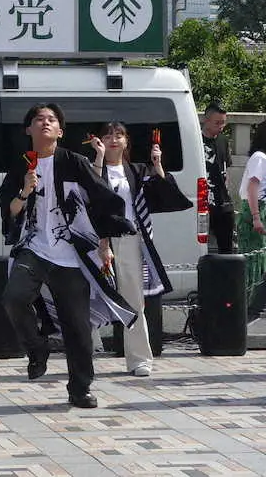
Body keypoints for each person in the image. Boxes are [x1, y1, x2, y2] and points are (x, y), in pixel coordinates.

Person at [0, 103, 138, 409]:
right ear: (28, 129)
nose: (45, 123)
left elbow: (102, 201)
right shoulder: (22, 165)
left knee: (77, 326)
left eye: (51, 120)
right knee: (13, 297)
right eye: (38, 119)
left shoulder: (74, 162)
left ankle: (80, 388)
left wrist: (104, 243)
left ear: (60, 131)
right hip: (33, 248)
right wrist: (24, 192)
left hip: (71, 255)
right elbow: (10, 210)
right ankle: (37, 347)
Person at [87, 122, 191, 377]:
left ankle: (139, 359)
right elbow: (91, 197)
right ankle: (87, 353)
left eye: (119, 135)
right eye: (108, 135)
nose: (113, 139)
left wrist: (158, 166)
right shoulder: (91, 169)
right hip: (98, 240)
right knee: (89, 298)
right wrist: (99, 158)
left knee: (134, 301)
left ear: (126, 142)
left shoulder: (136, 170)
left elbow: (166, 197)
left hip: (131, 239)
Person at [237, 120, 266, 298]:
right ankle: (248, 302)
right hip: (256, 210)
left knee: (259, 258)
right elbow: (252, 187)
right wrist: (256, 216)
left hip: (261, 209)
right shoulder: (260, 158)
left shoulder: (261, 159)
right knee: (253, 259)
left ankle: (251, 301)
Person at [201, 102, 235, 253]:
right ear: (206, 120)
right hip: (202, 201)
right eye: (217, 123)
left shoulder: (223, 140)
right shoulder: (195, 140)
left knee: (226, 247)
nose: (221, 126)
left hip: (223, 201)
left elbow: (225, 168)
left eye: (223, 123)